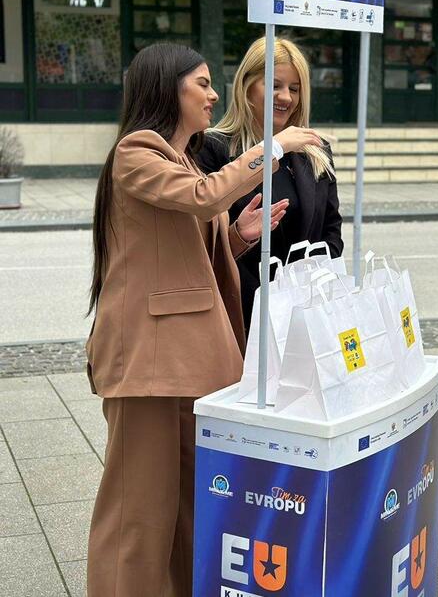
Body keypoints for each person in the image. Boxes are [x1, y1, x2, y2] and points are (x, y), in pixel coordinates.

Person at [86, 43, 322, 596]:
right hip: (146, 364)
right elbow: (201, 198)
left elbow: (188, 246)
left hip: (191, 361)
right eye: (203, 84)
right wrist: (272, 148)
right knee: (137, 511)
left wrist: (241, 235)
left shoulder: (183, 160)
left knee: (190, 504)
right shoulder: (136, 152)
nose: (214, 95)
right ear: (168, 89)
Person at [198, 37, 343, 333]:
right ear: (247, 86)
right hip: (239, 311)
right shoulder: (212, 147)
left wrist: (303, 287)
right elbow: (204, 243)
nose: (286, 97)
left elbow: (331, 231)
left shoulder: (315, 150)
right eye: (274, 85)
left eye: (294, 88)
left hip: (303, 309)